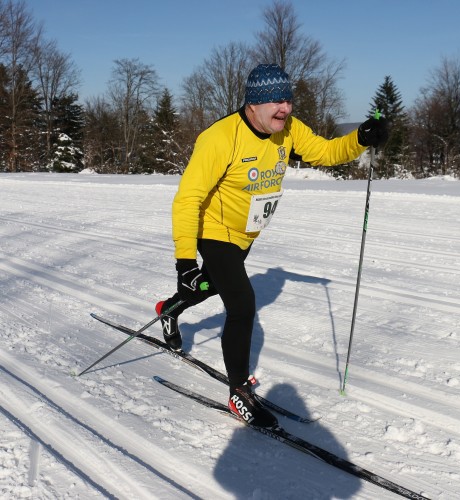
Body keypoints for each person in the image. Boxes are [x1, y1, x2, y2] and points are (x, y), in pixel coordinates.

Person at [155, 63, 388, 428]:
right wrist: (184, 260)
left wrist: (361, 138)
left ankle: (169, 309)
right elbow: (187, 200)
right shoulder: (219, 138)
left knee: (209, 286)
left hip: (245, 234)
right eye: (277, 101)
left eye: (289, 100)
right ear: (254, 103)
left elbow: (325, 152)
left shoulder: (288, 130)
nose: (286, 108)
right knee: (242, 304)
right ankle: (238, 393)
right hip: (214, 230)